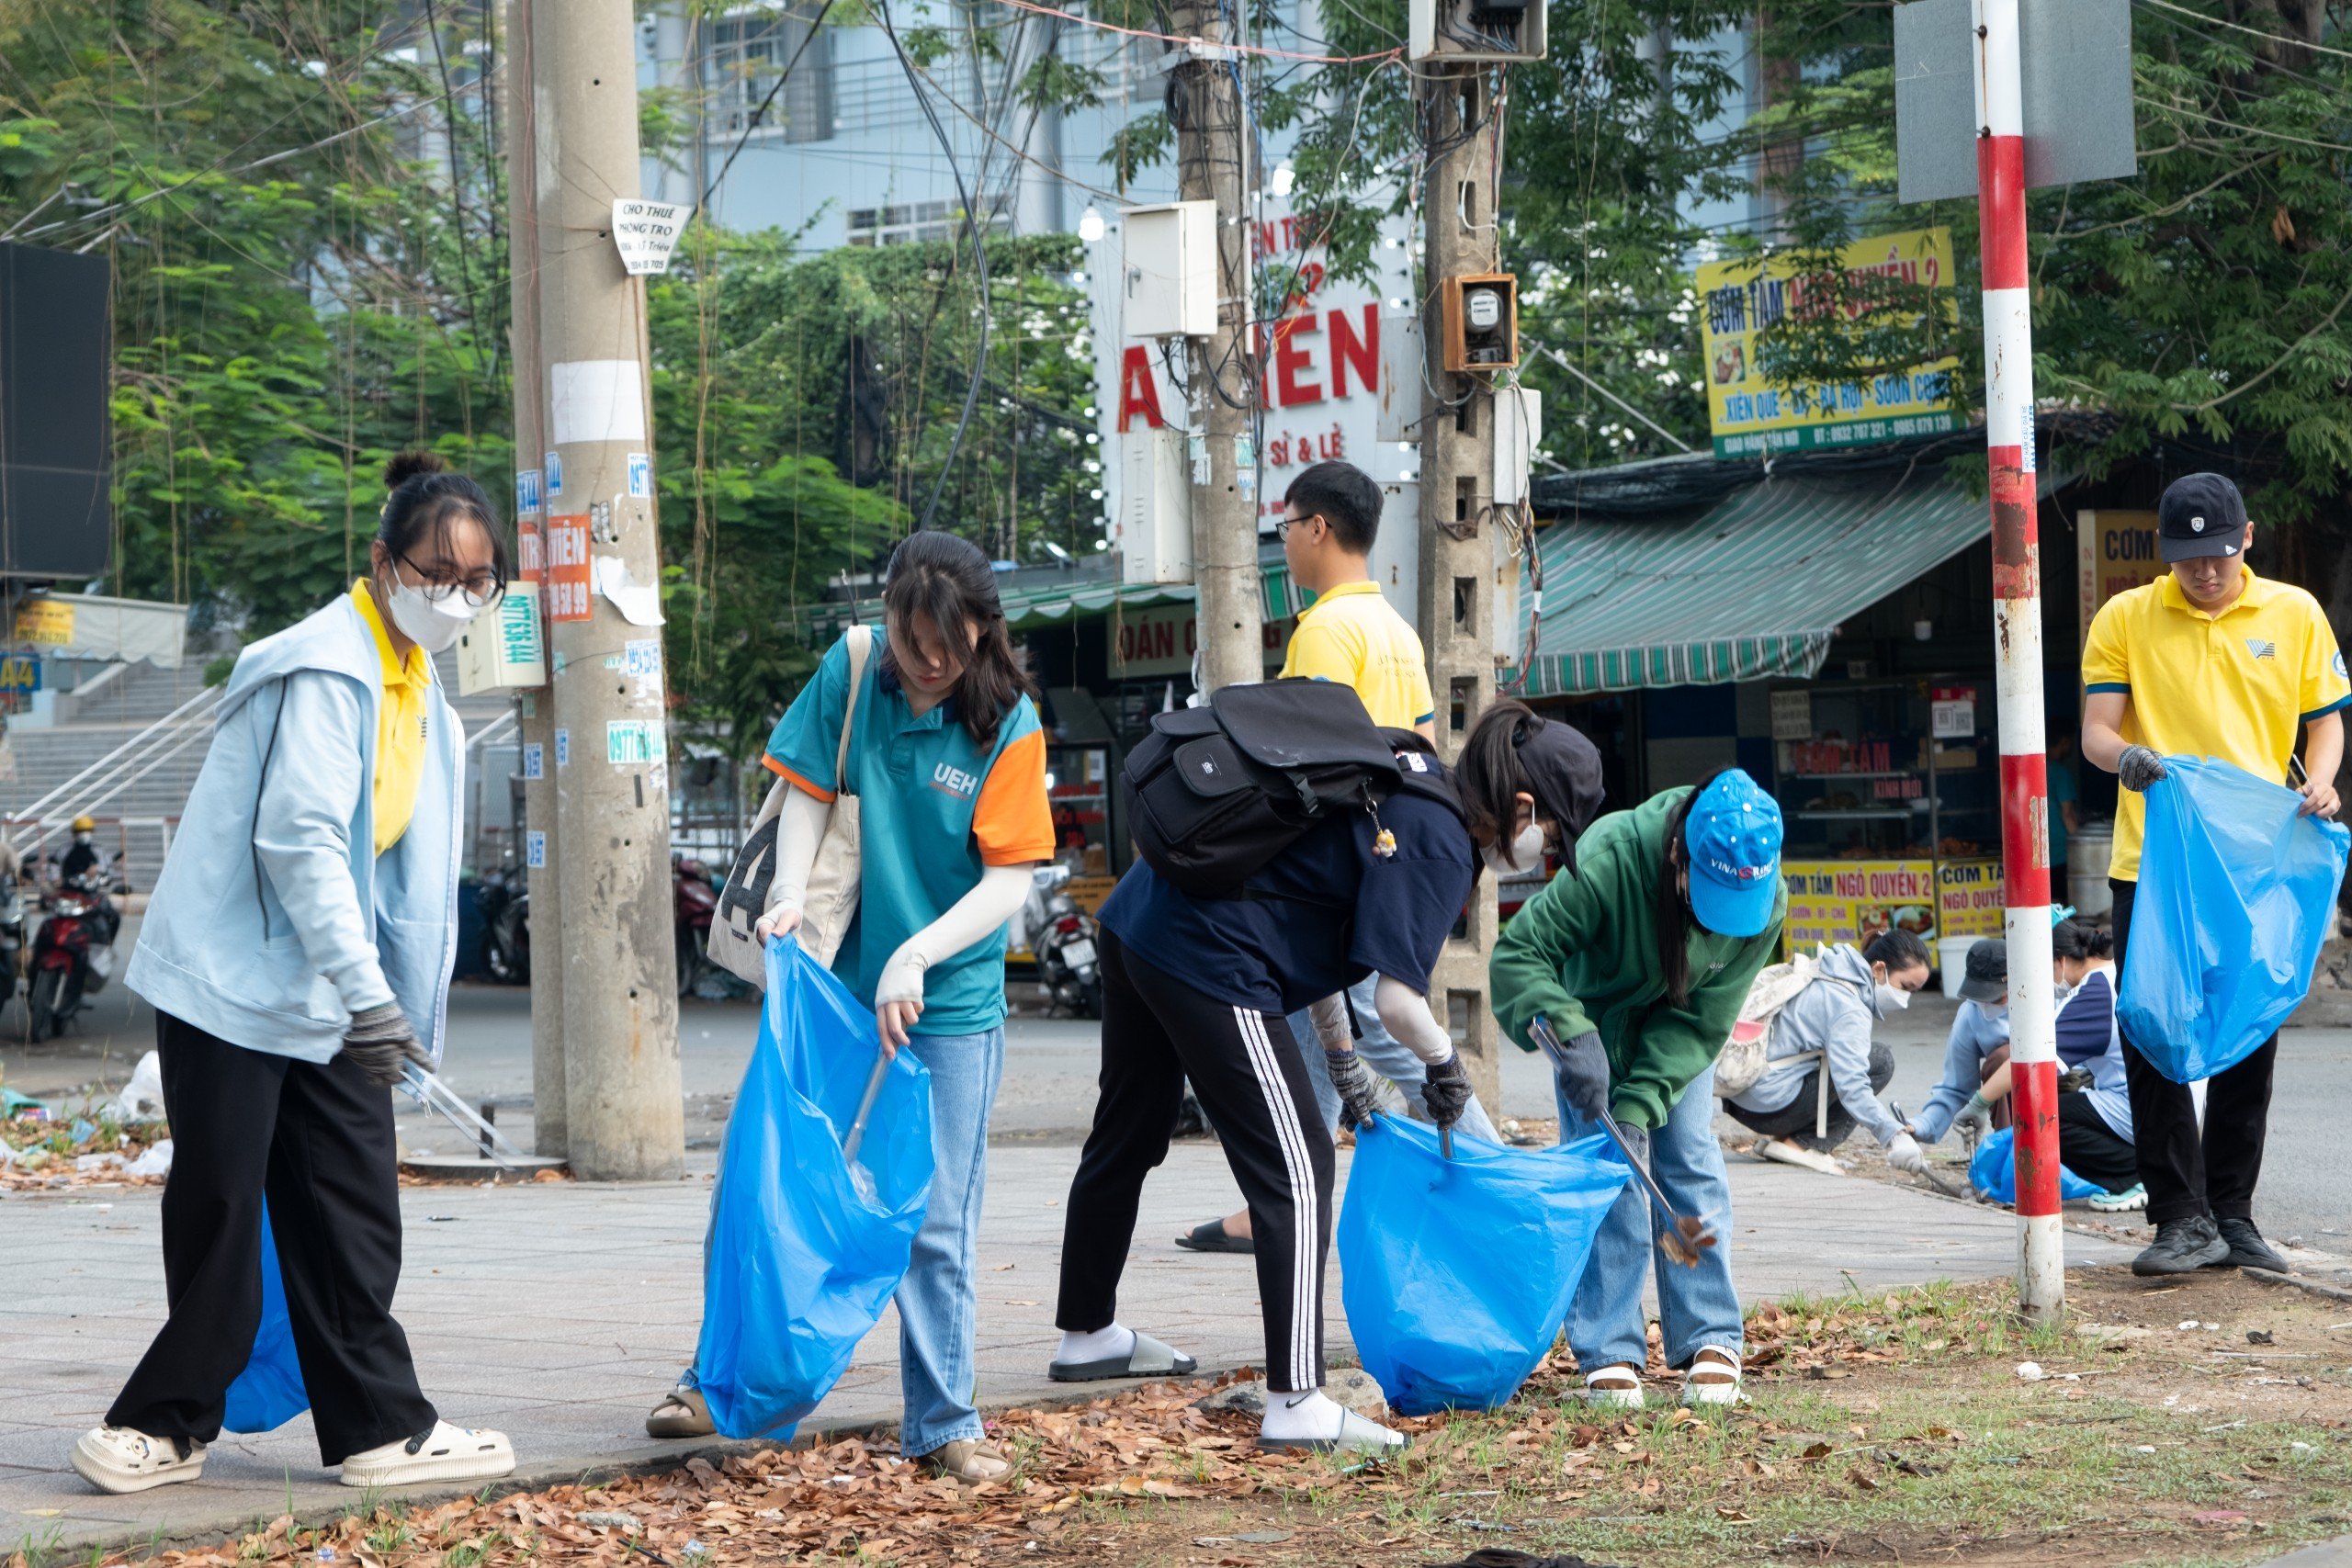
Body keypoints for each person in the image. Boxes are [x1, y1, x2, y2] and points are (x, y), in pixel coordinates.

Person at [77, 452, 514, 1496]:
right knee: (226, 1204)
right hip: (236, 984)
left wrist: (379, 1002)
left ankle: (378, 1425)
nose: (454, 599)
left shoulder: (422, 693)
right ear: (381, 563)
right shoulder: (329, 665)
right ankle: (162, 1426)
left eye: (476, 581)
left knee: (353, 1205)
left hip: (326, 988)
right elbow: (302, 841)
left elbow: (396, 871)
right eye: (435, 573)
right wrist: (371, 997)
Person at [646, 531, 1054, 1484]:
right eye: (915, 645)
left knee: (935, 1217)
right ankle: (715, 1383)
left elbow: (1009, 881)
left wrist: (914, 954)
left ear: (983, 634)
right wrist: (789, 891)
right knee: (763, 1178)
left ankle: (944, 1422)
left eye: (949, 650)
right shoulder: (855, 665)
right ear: (891, 625)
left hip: (945, 996)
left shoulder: (1009, 722)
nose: (928, 667)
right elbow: (804, 788)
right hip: (829, 983)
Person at [1051, 705, 1490, 1454]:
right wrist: (1446, 1065)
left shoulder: (1399, 773)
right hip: (1207, 951)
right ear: (1524, 809)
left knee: (1127, 1129)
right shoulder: (1442, 840)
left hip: (1137, 917)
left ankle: (1086, 1333)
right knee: (1298, 1165)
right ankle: (1297, 1400)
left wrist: (1343, 1062)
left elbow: (1303, 909)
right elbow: (1396, 999)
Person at [1175, 460, 1494, 1257]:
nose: (1283, 542)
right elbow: (1422, 745)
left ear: (1318, 527)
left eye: (1286, 526)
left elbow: (1297, 756)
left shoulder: (1322, 628)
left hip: (1335, 866)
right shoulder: (1397, 631)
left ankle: (1483, 1169)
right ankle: (1289, 1191)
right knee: (1337, 1027)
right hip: (1387, 856)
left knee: (1364, 1030)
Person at [2082, 471, 2346, 1275]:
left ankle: (2232, 1213)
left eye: (2221, 556)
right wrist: (2124, 758)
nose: (2206, 572)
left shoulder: (2294, 613)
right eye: (2189, 558)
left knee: (2246, 1030)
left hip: (2255, 866)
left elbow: (2325, 723)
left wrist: (2324, 780)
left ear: (2249, 540)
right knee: (2152, 1029)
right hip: (2154, 864)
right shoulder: (2125, 616)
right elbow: (2097, 727)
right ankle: (2177, 1218)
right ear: (2167, 553)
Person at [1489, 768, 1785, 1409]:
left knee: (1688, 1155)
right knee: (1608, 1169)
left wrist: (1641, 1099)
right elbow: (1517, 956)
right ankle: (1608, 1346)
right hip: (1592, 1022)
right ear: (1680, 855)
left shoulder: (1765, 894)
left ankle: (1710, 1331)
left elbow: (1704, 1019)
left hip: (1680, 1026)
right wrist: (1568, 1032)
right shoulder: (1608, 860)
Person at [1724, 930, 1933, 1173]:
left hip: (1742, 1095)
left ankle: (1784, 1140)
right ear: (1878, 970)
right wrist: (1895, 1135)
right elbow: (1852, 1087)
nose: (1906, 998)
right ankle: (1801, 1144)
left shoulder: (1828, 967)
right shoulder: (1850, 1008)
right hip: (1770, 1107)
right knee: (1880, 1061)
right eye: (1905, 987)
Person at [1965, 918, 2141, 1206]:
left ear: (2058, 960)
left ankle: (2137, 1175)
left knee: (2040, 1115)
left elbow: (2032, 1061)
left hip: (2135, 1107)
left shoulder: (2094, 994)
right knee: (2068, 1101)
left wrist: (1979, 1103)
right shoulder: (2117, 975)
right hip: (2165, 1102)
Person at [1905, 940, 2012, 1145]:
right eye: (1982, 997)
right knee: (2001, 1060)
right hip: (2010, 1097)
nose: (1987, 1005)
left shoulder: (2050, 997)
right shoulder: (1971, 1013)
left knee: (2008, 1056)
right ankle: (2012, 1151)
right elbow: (1956, 1087)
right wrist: (1921, 1125)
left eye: (1996, 998)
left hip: (2065, 1086)